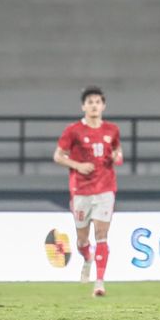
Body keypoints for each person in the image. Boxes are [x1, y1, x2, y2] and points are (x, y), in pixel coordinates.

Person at [53, 86, 122, 297]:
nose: (94, 105)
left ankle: (99, 283)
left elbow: (118, 151)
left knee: (102, 235)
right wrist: (77, 165)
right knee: (82, 239)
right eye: (90, 102)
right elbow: (58, 156)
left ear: (103, 106)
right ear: (84, 106)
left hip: (105, 188)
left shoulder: (112, 130)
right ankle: (86, 256)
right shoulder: (73, 130)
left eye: (97, 102)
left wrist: (116, 158)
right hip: (81, 190)